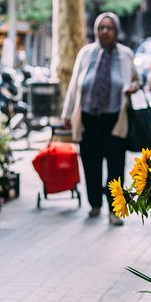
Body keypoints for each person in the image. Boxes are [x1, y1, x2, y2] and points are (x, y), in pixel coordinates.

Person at [61, 12, 141, 225]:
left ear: (117, 31)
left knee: (116, 166)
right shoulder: (86, 53)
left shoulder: (125, 55)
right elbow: (74, 85)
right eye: (101, 27)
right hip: (88, 118)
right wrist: (67, 114)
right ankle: (94, 203)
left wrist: (133, 87)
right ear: (96, 31)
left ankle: (115, 210)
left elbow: (136, 79)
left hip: (115, 118)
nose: (105, 31)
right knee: (90, 163)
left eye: (110, 28)